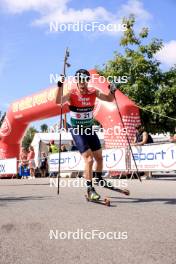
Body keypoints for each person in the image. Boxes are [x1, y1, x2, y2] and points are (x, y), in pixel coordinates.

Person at [56, 69, 116, 201]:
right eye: (80, 80)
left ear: (87, 81)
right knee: (89, 159)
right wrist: (59, 85)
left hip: (89, 129)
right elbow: (58, 101)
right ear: (76, 80)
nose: (82, 83)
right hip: (77, 130)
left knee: (99, 157)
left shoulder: (93, 92)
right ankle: (90, 189)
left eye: (84, 80)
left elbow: (109, 99)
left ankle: (99, 178)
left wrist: (112, 90)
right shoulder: (72, 93)